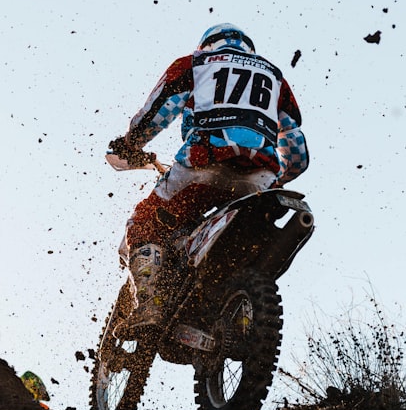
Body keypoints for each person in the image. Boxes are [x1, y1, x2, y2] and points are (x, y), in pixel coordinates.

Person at [108, 23, 309, 332]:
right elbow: (297, 152)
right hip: (259, 182)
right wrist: (276, 178)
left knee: (144, 221)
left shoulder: (195, 64)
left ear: (207, 45)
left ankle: (150, 305)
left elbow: (157, 112)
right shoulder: (276, 78)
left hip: (202, 166)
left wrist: (131, 143)